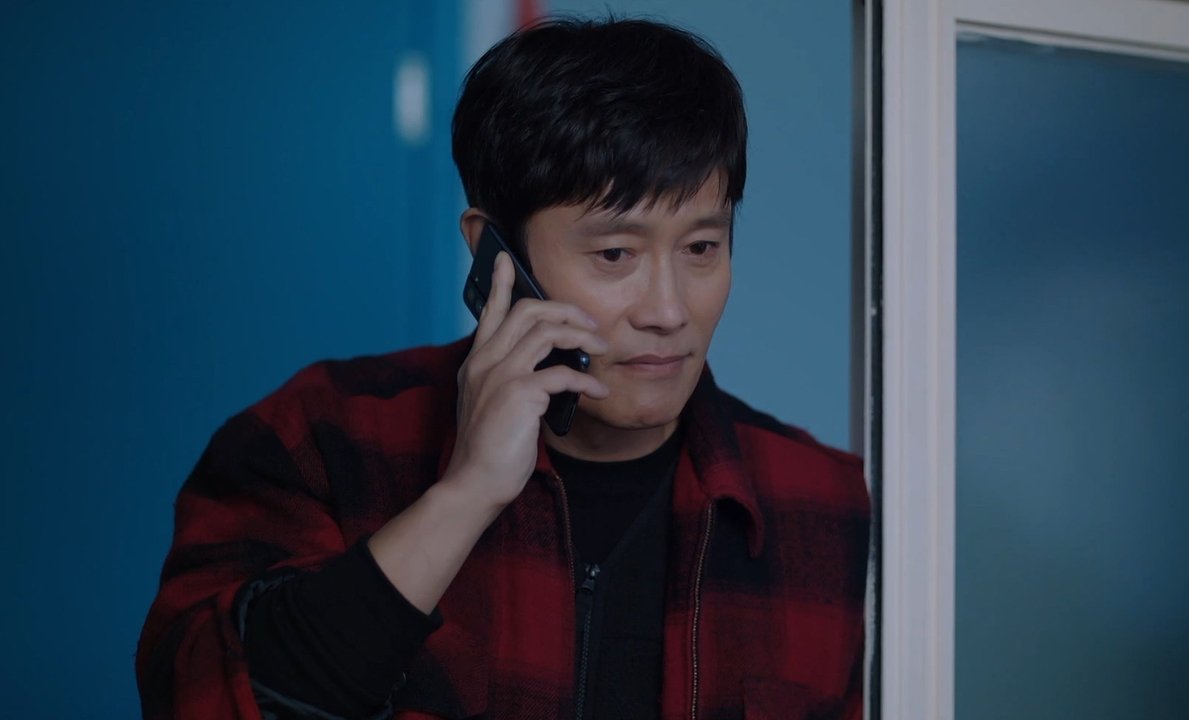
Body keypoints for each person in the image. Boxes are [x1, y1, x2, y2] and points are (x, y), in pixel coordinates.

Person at [137, 16, 869, 720]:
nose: (668, 310)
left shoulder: (821, 501)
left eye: (701, 249)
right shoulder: (318, 440)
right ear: (496, 255)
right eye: (615, 254)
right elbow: (207, 698)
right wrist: (468, 492)